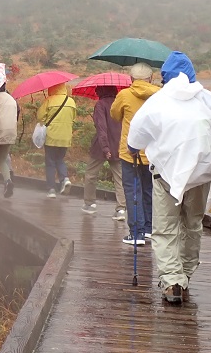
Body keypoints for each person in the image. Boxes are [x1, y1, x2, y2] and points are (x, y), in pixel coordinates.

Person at [128, 52, 211, 305]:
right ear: (191, 75)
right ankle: (185, 273)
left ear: (165, 77)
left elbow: (135, 139)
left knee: (165, 228)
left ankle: (172, 281)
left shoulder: (157, 101)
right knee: (192, 223)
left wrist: (134, 150)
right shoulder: (210, 99)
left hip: (166, 173)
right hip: (201, 173)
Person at [111, 63, 161, 244]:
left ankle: (136, 233)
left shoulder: (124, 95)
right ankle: (148, 229)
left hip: (130, 152)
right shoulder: (159, 95)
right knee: (149, 190)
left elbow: (115, 115)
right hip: (152, 152)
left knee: (133, 190)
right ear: (150, 78)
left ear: (131, 78)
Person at [81, 86, 126, 216]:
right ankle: (121, 209)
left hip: (100, 146)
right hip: (118, 145)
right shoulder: (120, 103)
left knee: (91, 174)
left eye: (98, 89)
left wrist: (105, 147)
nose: (96, 91)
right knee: (119, 178)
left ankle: (90, 203)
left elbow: (101, 127)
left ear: (102, 90)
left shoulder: (100, 104)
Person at [37, 83, 76, 198]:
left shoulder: (49, 100)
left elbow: (40, 117)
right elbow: (73, 118)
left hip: (52, 136)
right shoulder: (71, 102)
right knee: (60, 159)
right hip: (65, 137)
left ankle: (51, 189)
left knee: (50, 162)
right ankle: (64, 179)